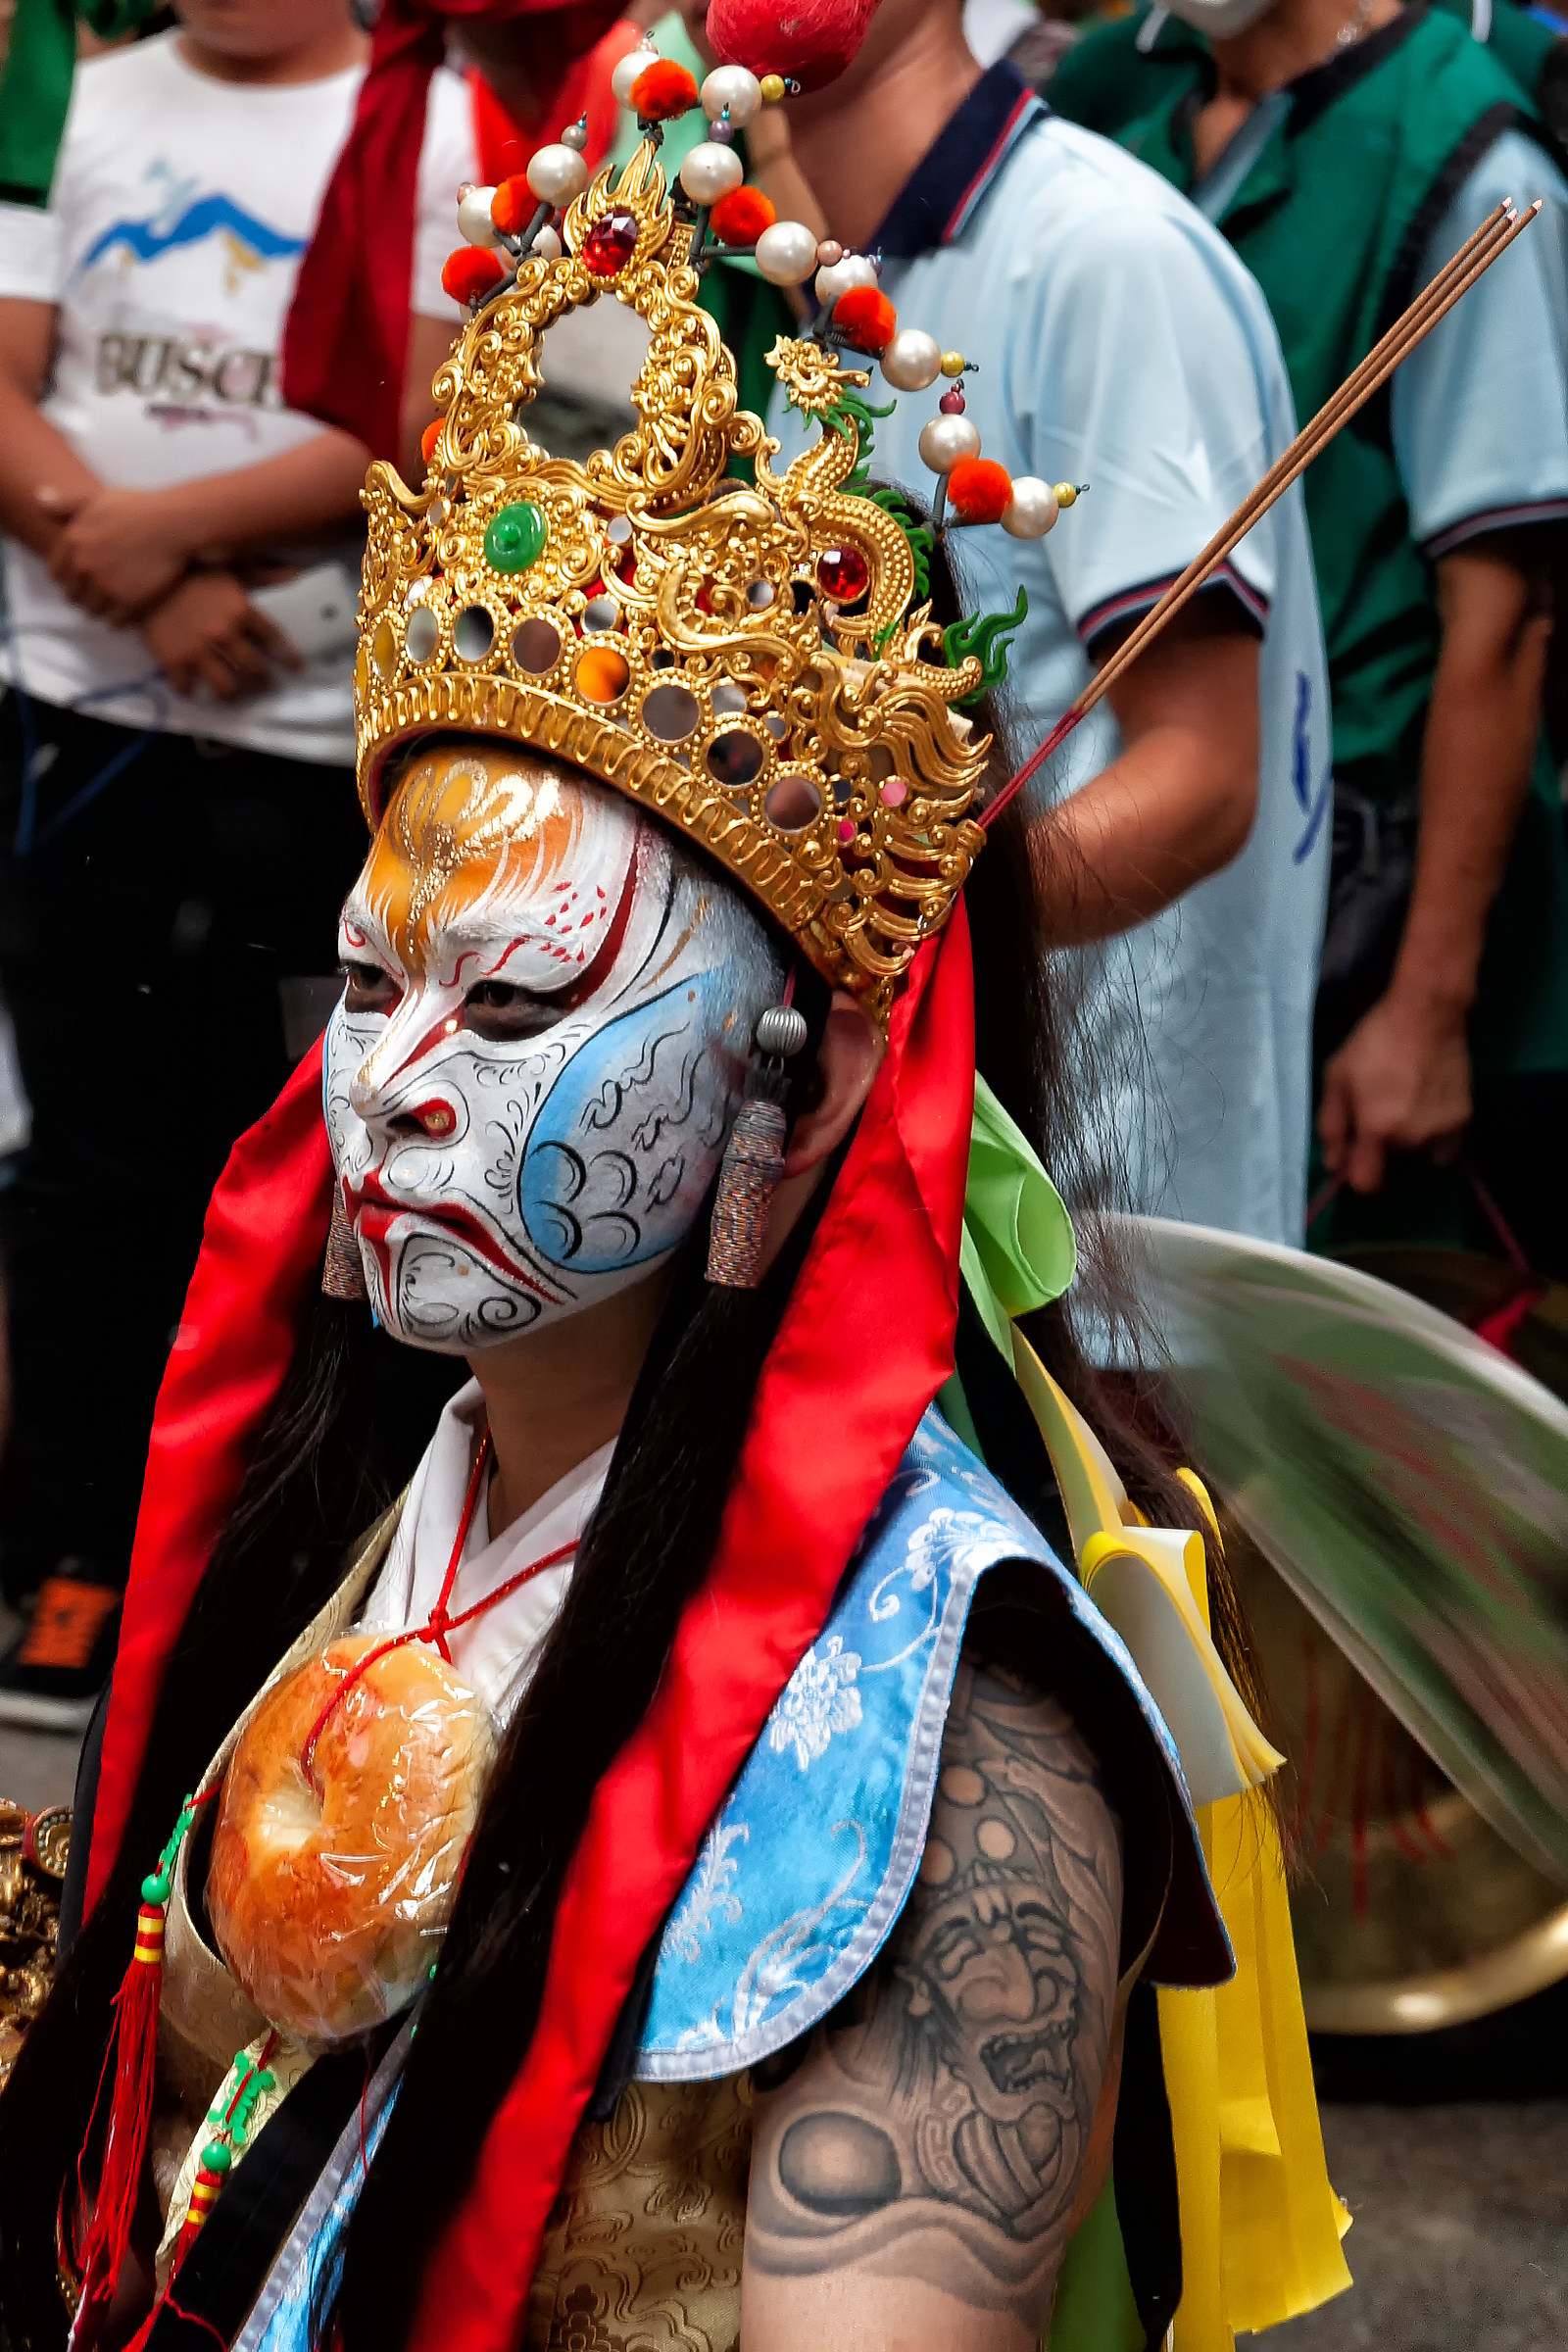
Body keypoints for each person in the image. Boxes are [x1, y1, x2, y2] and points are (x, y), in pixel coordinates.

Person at [0, 110, 1348, 2352]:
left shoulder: (947, 1736)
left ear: (804, 1077)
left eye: (519, 995)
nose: (398, 1078)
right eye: (359, 983)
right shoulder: (363, 1494)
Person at [0, 0, 475, 1727]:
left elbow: (424, 418)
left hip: (314, 753)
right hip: (92, 724)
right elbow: (3, 369)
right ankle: (70, 1557)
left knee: (331, 1170)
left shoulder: (428, 118)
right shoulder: (79, 101)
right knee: (86, 1167)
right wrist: (134, 567)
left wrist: (176, 532)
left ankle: (301, 1564)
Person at [690, 0, 1333, 1250]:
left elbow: (1201, 779)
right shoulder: (830, 282)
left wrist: (870, 945)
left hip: (1104, 1218)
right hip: (901, 1186)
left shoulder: (1100, 251)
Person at [1049, 0, 1568, 1274]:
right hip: (1127, 844)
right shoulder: (1115, 93)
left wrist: (1426, 1008)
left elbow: (1502, 625)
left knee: (1308, 1374)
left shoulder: (1459, 154)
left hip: (1359, 881)